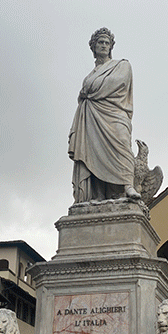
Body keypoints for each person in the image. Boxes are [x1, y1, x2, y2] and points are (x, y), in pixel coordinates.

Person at [68, 27, 140, 203]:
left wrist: (90, 90)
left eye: (107, 43)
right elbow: (85, 93)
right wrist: (89, 90)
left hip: (115, 113)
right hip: (92, 116)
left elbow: (117, 83)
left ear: (111, 47)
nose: (104, 45)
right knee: (92, 152)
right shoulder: (89, 76)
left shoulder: (122, 65)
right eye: (100, 42)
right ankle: (99, 195)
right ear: (93, 47)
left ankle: (127, 185)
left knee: (122, 143)